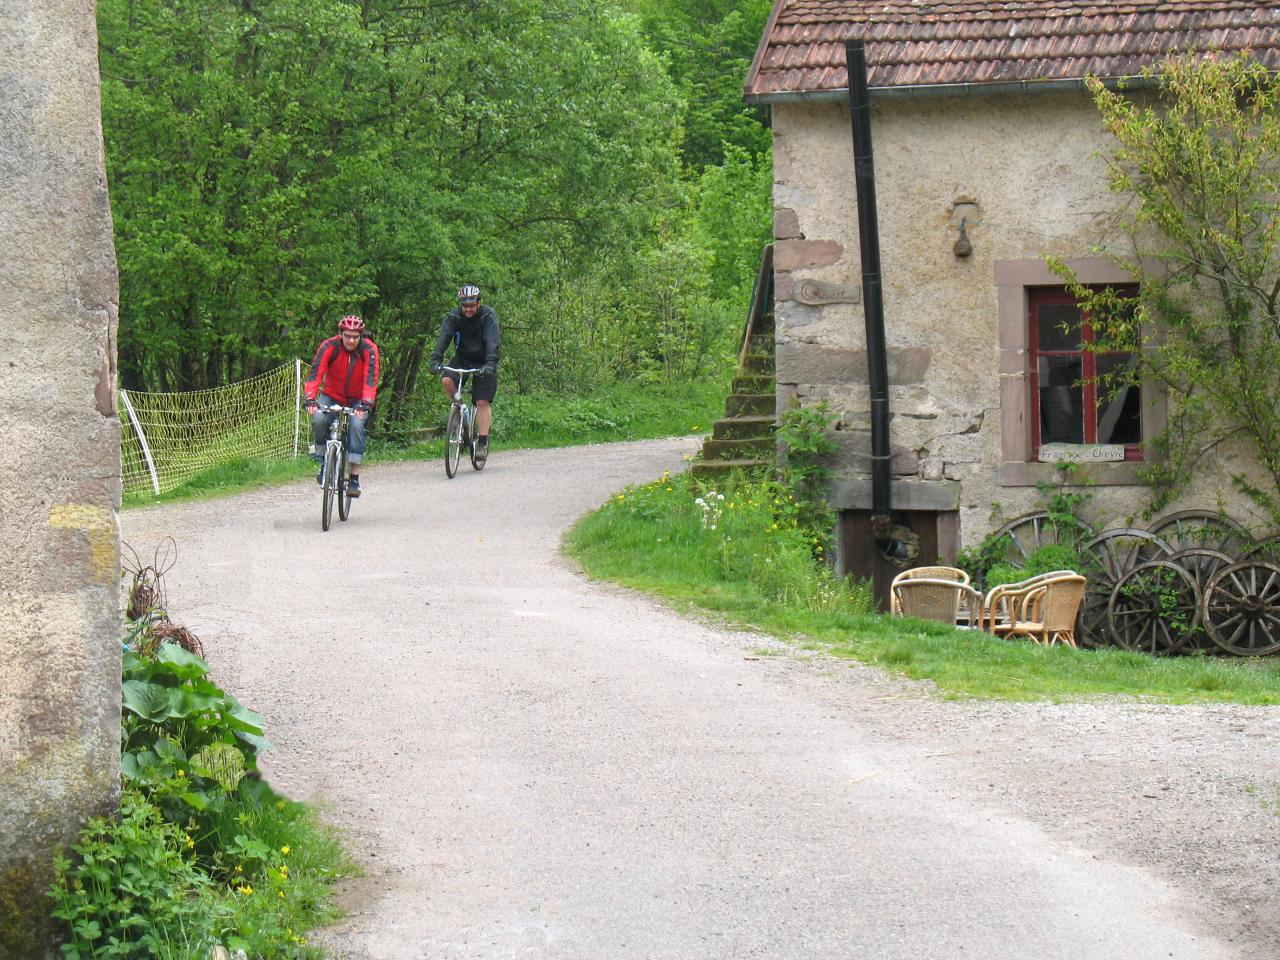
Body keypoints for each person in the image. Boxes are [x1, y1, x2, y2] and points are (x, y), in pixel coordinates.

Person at [303, 315, 380, 497]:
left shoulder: (369, 349)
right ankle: (324, 462)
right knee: (319, 419)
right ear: (340, 334)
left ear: (361, 336)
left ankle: (354, 479)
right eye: (347, 336)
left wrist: (366, 403)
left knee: (356, 426)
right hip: (332, 395)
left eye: (355, 337)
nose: (351, 340)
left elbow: (371, 379)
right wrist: (310, 398)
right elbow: (316, 373)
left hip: (358, 398)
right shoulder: (329, 346)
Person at [428, 284, 501, 464]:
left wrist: (491, 363)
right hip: (462, 358)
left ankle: (482, 442)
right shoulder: (454, 317)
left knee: (482, 400)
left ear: (478, 303)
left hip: (484, 361)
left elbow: (493, 341)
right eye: (465, 306)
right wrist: (435, 359)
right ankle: (459, 412)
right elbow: (444, 338)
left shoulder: (487, 316)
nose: (468, 309)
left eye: (472, 305)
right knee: (446, 380)